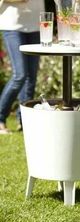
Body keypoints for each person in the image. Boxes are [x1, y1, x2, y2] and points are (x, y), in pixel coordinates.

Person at [0, 0, 45, 134]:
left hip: (36, 24)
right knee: (20, 75)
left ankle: (24, 121)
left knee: (31, 77)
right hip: (12, 25)